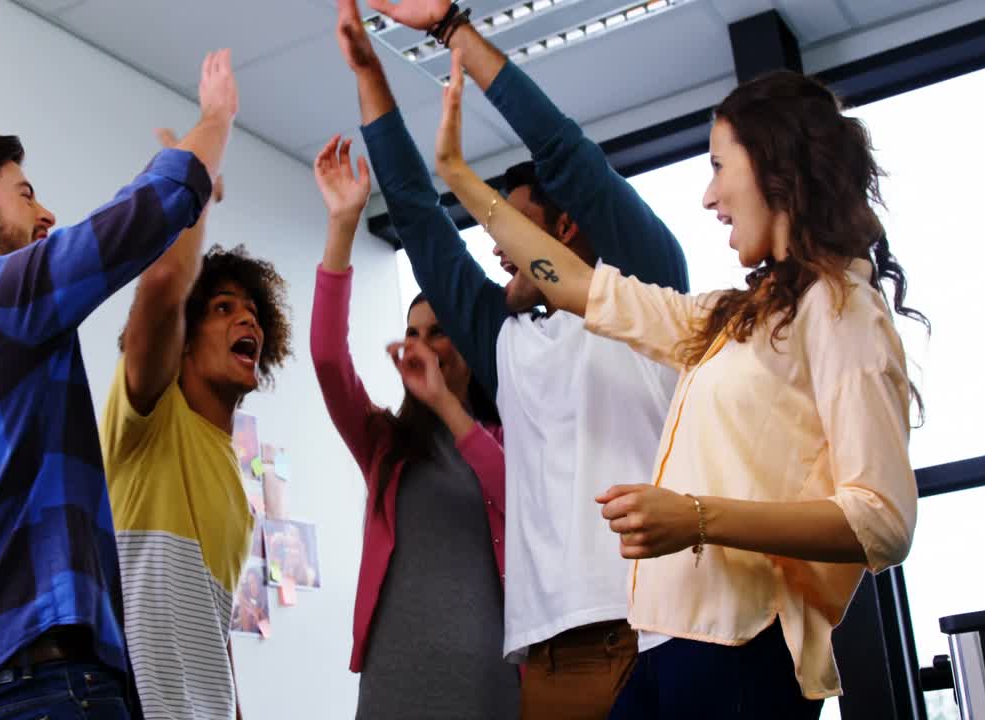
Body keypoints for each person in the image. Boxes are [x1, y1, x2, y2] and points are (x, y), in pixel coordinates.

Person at [435, 58, 923, 717]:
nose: (708, 196)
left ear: (775, 167)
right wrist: (460, 180)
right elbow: (577, 285)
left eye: (721, 167)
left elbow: (881, 520)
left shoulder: (842, 313)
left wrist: (695, 516)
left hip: (745, 648)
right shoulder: (729, 318)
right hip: (668, 643)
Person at [335, 2, 686, 716]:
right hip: (548, 659)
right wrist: (370, 74)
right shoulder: (505, 338)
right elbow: (414, 211)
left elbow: (566, 152)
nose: (496, 243)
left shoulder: (648, 296)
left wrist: (450, 28)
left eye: (512, 222)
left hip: (652, 636)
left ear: (566, 228)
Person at [0, 50, 234, 720]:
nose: (46, 213)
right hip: (52, 688)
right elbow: (142, 214)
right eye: (25, 193)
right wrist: (215, 121)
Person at [100, 97, 296, 716]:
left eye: (254, 313)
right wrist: (193, 194)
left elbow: (213, 632)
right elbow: (159, 295)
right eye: (222, 307)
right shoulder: (149, 419)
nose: (248, 319)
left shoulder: (239, 493)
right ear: (183, 333)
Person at [309, 134, 516, 718]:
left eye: (439, 331)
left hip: (489, 683)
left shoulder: (507, 439)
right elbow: (327, 358)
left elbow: (515, 497)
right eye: (413, 332)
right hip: (395, 682)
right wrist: (343, 225)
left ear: (472, 346)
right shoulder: (386, 443)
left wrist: (451, 410)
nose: (421, 346)